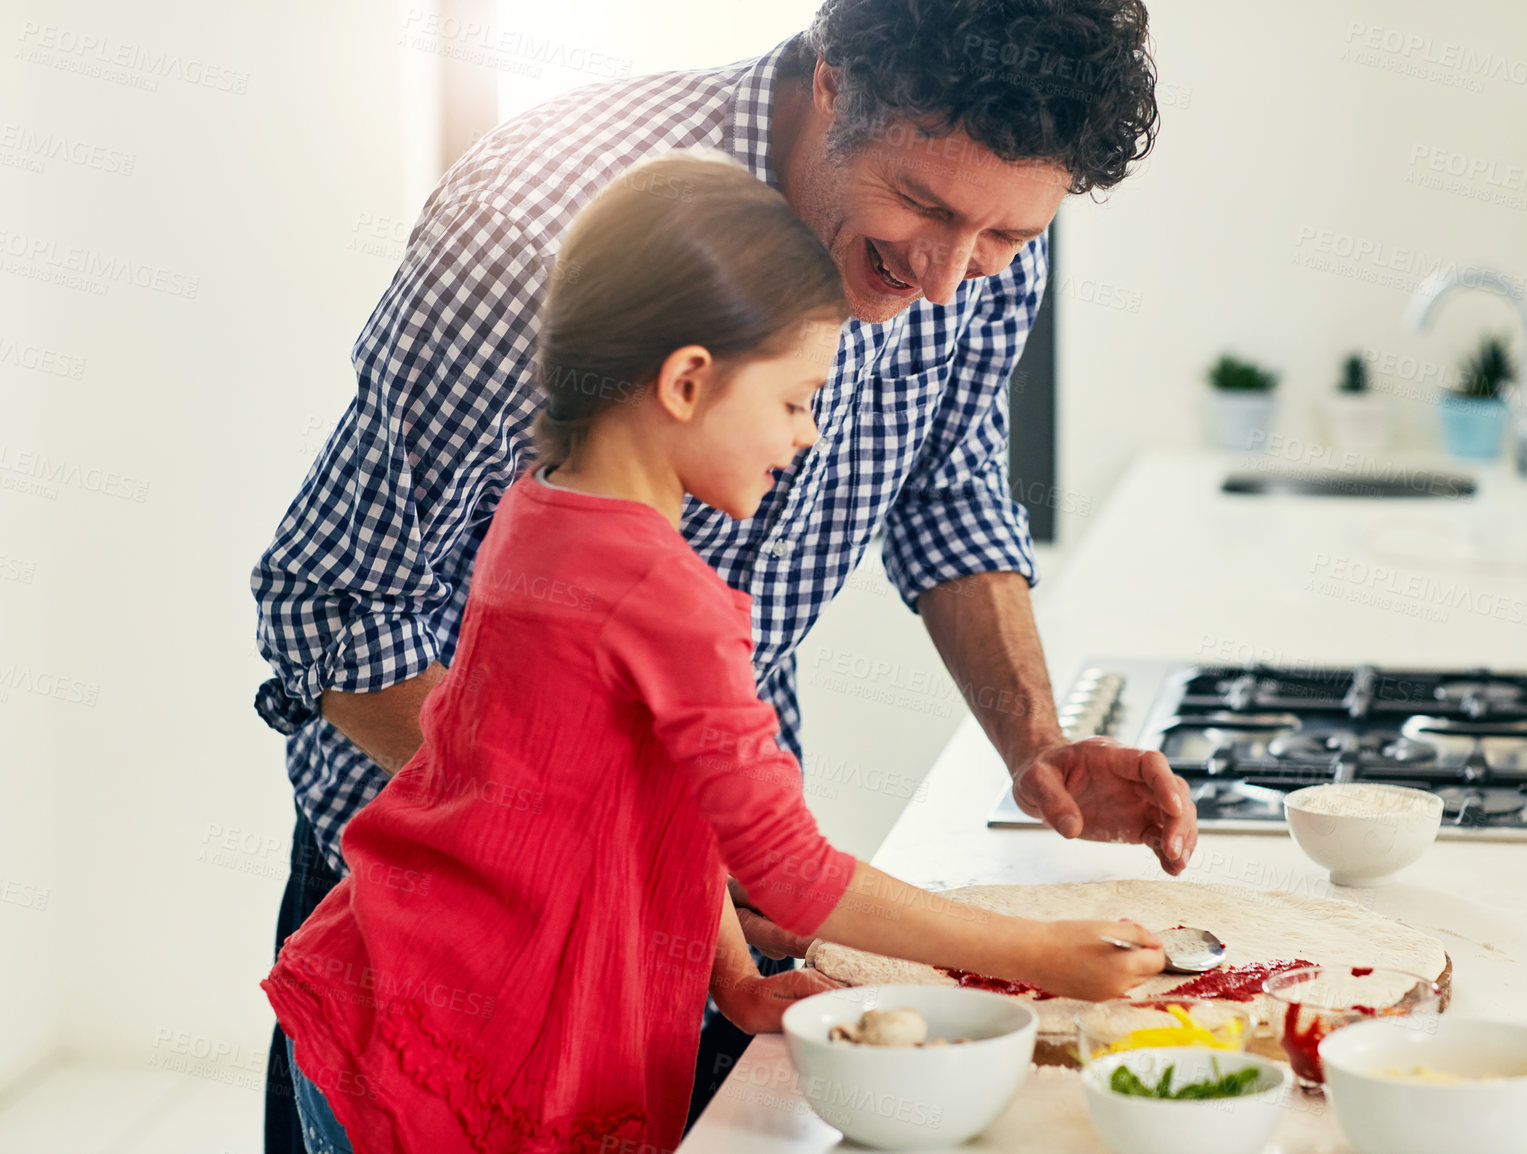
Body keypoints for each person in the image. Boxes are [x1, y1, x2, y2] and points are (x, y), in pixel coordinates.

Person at [252, 2, 1196, 1146]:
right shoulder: (540, 219)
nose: (953, 279)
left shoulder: (978, 247)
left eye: (1004, 239)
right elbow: (336, 606)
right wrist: (568, 821)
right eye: (928, 208)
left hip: (688, 912)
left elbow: (950, 490)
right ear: (835, 85)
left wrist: (1036, 742)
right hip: (448, 949)